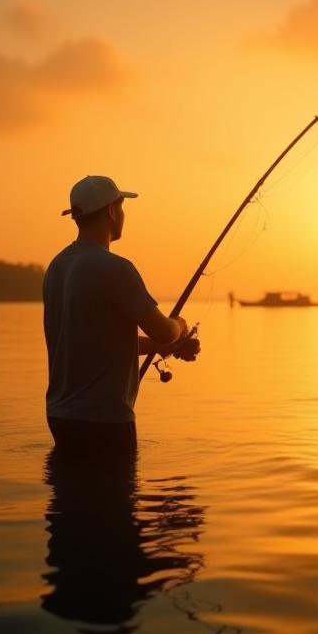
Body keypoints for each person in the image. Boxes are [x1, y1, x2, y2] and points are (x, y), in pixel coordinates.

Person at [43, 175, 200, 448]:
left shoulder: (56, 268)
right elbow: (164, 330)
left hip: (60, 417)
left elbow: (93, 344)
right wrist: (179, 326)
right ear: (112, 211)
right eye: (122, 208)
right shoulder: (115, 268)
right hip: (104, 422)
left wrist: (159, 347)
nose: (124, 215)